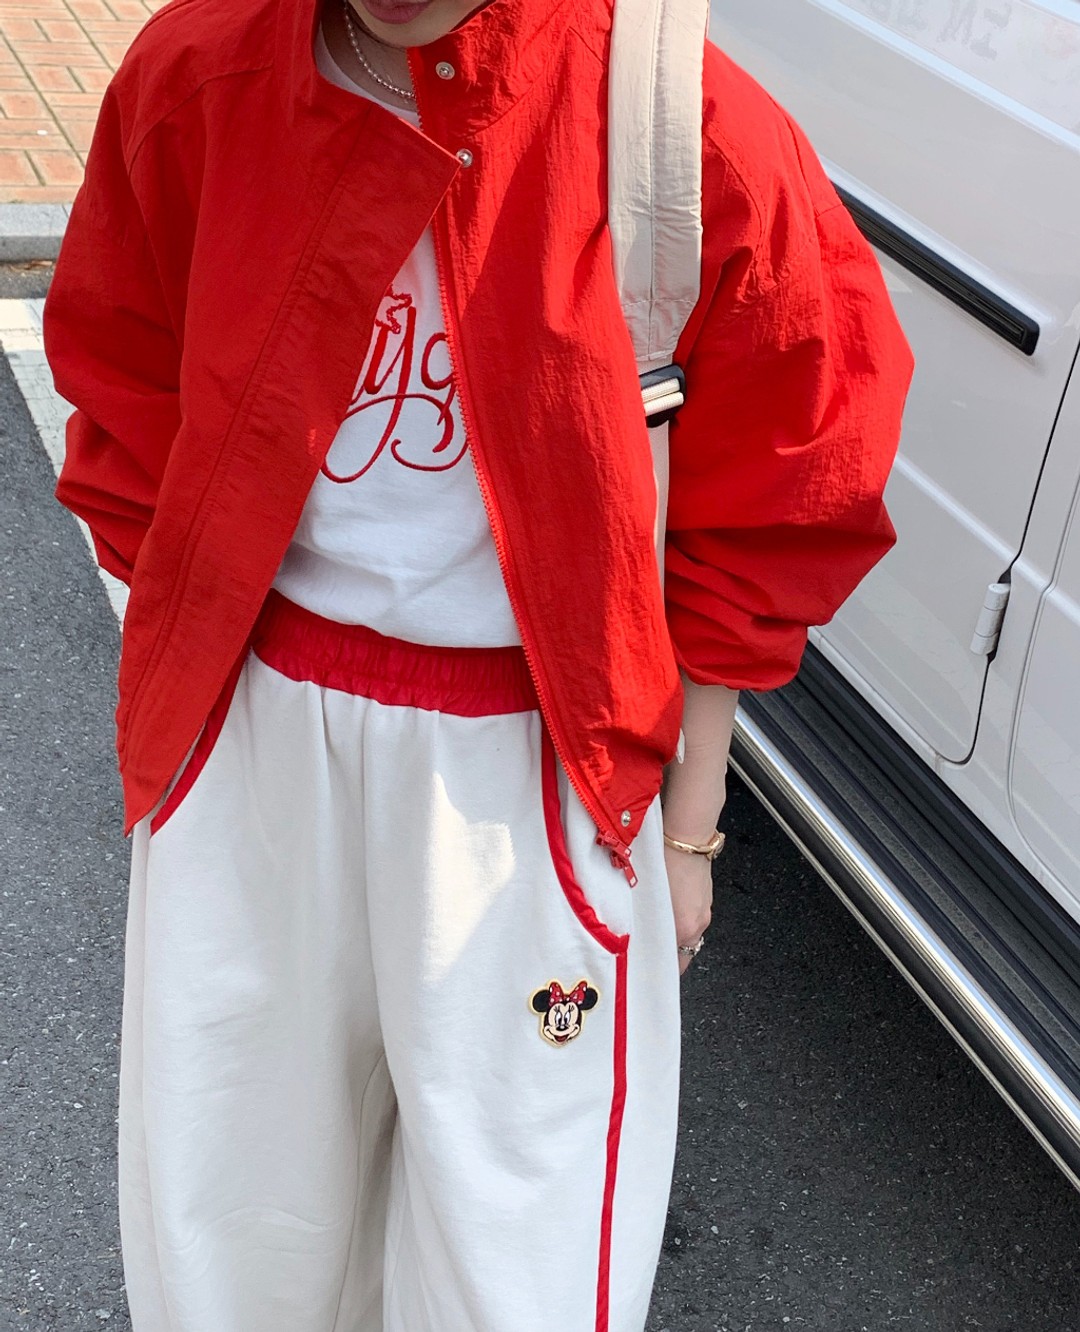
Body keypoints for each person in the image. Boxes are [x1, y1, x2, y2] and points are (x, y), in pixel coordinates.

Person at [43, 0, 914, 1325]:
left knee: (517, 1263)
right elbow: (125, 388)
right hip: (257, 729)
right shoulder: (203, 74)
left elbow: (788, 478)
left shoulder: (677, 119)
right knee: (230, 1233)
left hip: (536, 758)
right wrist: (188, 707)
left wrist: (690, 829)